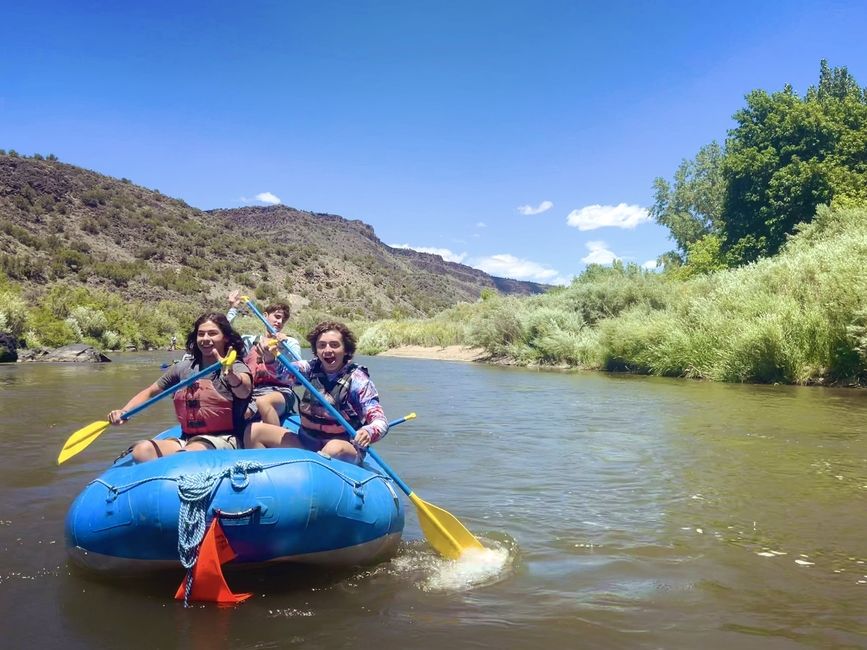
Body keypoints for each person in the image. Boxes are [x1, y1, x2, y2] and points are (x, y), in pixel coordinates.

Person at [108, 313, 287, 462]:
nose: (205, 339)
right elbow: (150, 391)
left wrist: (229, 372)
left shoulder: (237, 367)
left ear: (224, 337)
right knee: (142, 450)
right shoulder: (182, 369)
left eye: (212, 333)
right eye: (201, 334)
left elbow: (244, 390)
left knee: (186, 456)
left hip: (225, 438)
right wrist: (124, 412)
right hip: (187, 438)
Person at [245, 321, 388, 464]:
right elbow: (282, 374)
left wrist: (368, 432)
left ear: (346, 350)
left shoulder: (358, 380)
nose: (327, 350)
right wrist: (270, 358)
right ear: (316, 350)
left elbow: (380, 421)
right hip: (307, 443)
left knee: (333, 448)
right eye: (322, 345)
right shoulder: (310, 368)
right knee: (254, 431)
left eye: (334, 345)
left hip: (343, 446)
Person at [226, 290, 302, 426]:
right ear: (265, 316)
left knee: (261, 404)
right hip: (252, 391)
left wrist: (283, 347)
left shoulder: (290, 343)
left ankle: (274, 441)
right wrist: (233, 308)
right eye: (277, 317)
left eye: (283, 320)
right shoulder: (249, 341)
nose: (279, 322)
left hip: (281, 392)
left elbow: (299, 372)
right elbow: (225, 334)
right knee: (232, 412)